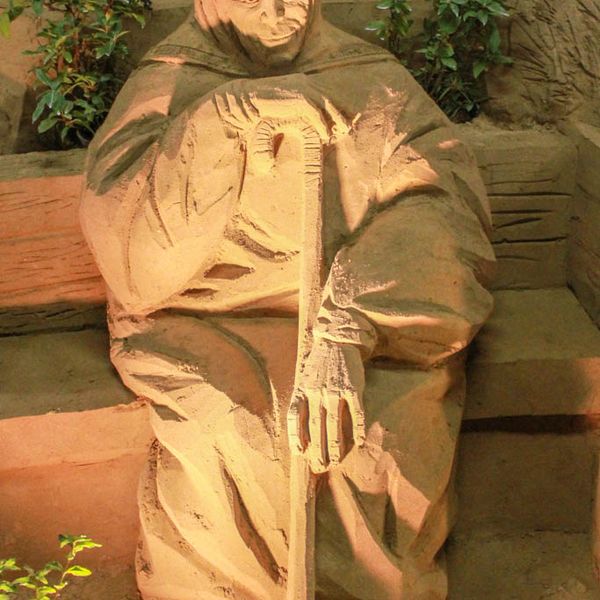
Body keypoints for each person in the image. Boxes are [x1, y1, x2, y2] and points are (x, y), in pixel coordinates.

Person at [80, 1, 495, 598]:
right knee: (237, 430)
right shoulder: (169, 86)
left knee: (376, 442)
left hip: (367, 313)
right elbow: (132, 261)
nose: (281, 13)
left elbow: (446, 216)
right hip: (200, 318)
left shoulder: (369, 79)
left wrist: (347, 321)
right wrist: (225, 118)